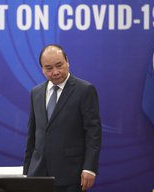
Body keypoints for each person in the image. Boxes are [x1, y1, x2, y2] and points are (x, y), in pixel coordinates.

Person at [23, 44, 102, 192]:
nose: (55, 72)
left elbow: (93, 133)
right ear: (42, 69)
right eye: (49, 68)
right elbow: (33, 135)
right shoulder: (36, 92)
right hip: (38, 174)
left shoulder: (84, 90)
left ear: (67, 61)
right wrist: (27, 171)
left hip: (71, 175)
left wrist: (90, 168)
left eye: (59, 65)